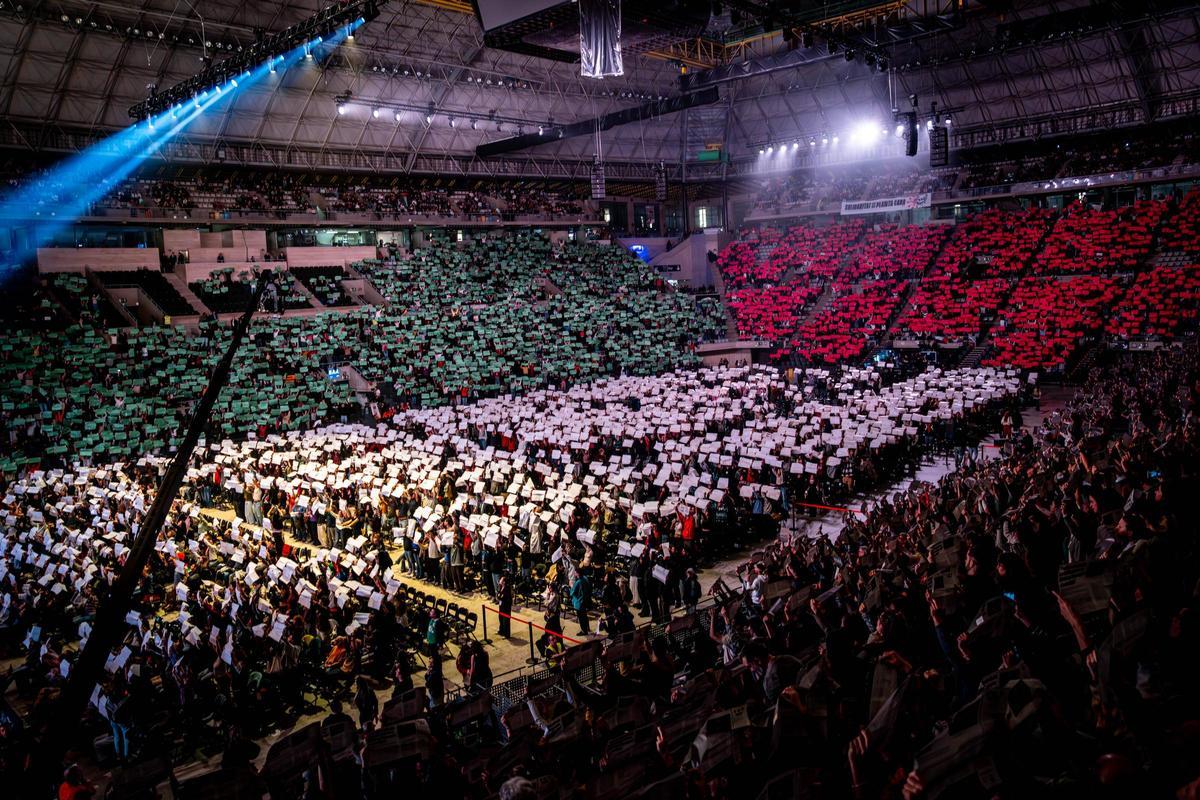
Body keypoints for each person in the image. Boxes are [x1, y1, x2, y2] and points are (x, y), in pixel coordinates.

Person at [570, 569, 592, 636]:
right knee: (584, 616)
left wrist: (571, 585)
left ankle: (584, 631)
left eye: (575, 573)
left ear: (577, 573)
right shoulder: (585, 579)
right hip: (585, 600)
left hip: (579, 602)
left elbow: (572, 593)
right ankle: (587, 628)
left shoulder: (578, 582)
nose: (574, 574)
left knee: (581, 617)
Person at [497, 574, 513, 638]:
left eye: (501, 580)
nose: (499, 581)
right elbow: (498, 594)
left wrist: (499, 596)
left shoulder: (507, 588)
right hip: (501, 605)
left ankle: (506, 635)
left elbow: (502, 597)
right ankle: (501, 631)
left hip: (506, 607)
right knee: (500, 618)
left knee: (506, 621)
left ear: (504, 581)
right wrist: (499, 596)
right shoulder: (501, 587)